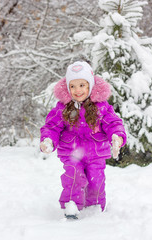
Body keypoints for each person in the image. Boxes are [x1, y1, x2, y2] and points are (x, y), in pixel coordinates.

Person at [40, 61, 127, 219]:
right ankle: (71, 206)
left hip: (96, 153)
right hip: (72, 152)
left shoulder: (101, 107)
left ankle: (94, 209)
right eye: (72, 86)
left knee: (96, 180)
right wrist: (48, 140)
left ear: (91, 85)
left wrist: (116, 135)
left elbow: (113, 122)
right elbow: (52, 127)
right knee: (73, 176)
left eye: (82, 85)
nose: (77, 90)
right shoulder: (63, 108)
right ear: (67, 88)